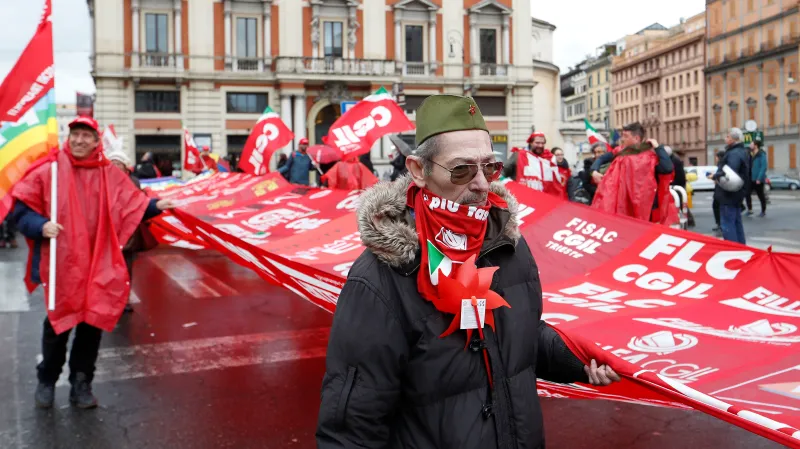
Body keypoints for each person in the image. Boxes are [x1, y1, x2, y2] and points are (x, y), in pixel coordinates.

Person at [316, 94, 619, 449]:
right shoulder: (379, 277)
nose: (481, 184)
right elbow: (351, 428)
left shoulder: (509, 245)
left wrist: (575, 359)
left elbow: (518, 335)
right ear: (418, 170)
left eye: (490, 167)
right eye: (461, 170)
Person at [10, 117, 175, 410]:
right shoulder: (49, 171)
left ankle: (81, 383)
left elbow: (131, 205)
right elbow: (19, 212)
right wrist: (41, 225)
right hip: (62, 265)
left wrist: (155, 206)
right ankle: (47, 379)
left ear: (97, 142)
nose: (79, 140)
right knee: (58, 325)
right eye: (75, 134)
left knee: (91, 324)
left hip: (98, 262)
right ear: (68, 137)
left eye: (86, 135)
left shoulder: (109, 174)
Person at [590, 122, 677, 225]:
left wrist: (658, 147)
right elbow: (601, 159)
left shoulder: (651, 157)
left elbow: (667, 168)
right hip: (624, 204)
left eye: (626, 136)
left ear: (636, 138)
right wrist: (594, 171)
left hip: (647, 208)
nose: (622, 139)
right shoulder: (620, 151)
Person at [107, 150, 143, 313]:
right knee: (108, 268)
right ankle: (111, 298)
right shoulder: (103, 180)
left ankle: (124, 300)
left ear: (125, 167)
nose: (115, 166)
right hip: (108, 233)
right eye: (112, 163)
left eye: (118, 163)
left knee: (125, 269)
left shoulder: (132, 182)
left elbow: (138, 204)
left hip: (127, 233)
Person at [713, 128, 751, 244]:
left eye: (728, 136)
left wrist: (715, 175)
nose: (726, 138)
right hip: (737, 193)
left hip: (728, 194)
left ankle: (733, 249)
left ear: (733, 139)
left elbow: (730, 173)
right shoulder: (741, 151)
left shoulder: (734, 153)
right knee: (736, 223)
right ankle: (741, 248)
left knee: (728, 224)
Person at [504, 131, 566, 197]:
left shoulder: (549, 158)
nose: (540, 145)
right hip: (523, 197)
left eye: (542, 143)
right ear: (530, 143)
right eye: (537, 143)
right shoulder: (519, 155)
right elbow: (503, 172)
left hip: (544, 198)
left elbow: (556, 182)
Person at [746, 140, 767, 217]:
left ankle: (763, 211)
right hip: (750, 178)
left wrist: (759, 178)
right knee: (747, 193)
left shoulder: (761, 154)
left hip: (758, 179)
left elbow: (763, 167)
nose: (750, 145)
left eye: (751, 144)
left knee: (760, 195)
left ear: (756, 146)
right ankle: (750, 209)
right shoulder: (750, 153)